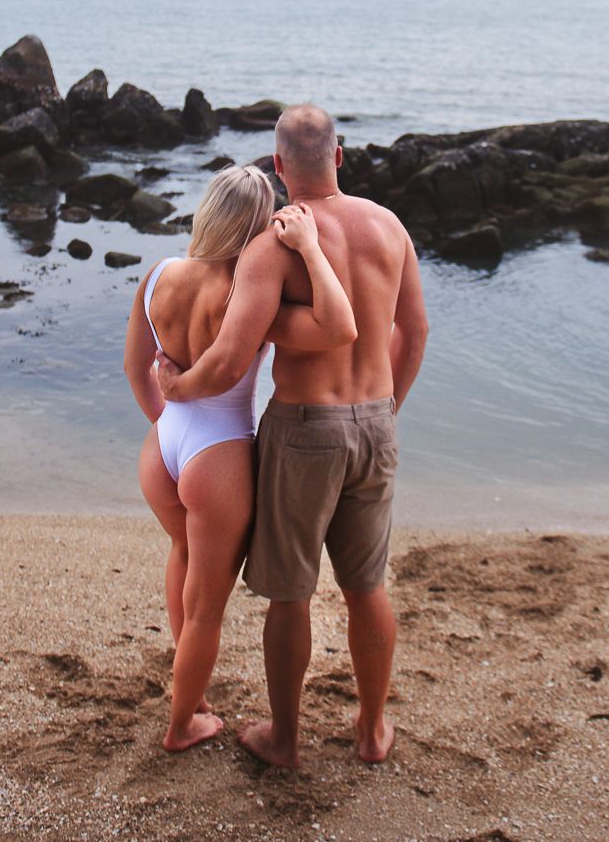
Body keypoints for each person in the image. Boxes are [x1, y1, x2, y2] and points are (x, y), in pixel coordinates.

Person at [157, 104, 428, 767]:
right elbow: (413, 330)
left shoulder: (272, 243)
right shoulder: (390, 227)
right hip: (376, 418)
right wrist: (386, 407)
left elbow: (228, 355)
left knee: (291, 592)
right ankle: (370, 730)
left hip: (305, 428)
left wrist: (177, 388)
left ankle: (284, 739)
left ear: (279, 166)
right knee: (367, 585)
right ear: (340, 155)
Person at [123, 164, 359, 753]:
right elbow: (333, 330)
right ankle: (182, 725)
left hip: (163, 448)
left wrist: (169, 420)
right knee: (207, 606)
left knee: (183, 559)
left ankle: (194, 696)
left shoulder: (158, 276)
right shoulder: (245, 294)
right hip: (218, 452)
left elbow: (135, 369)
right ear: (256, 227)